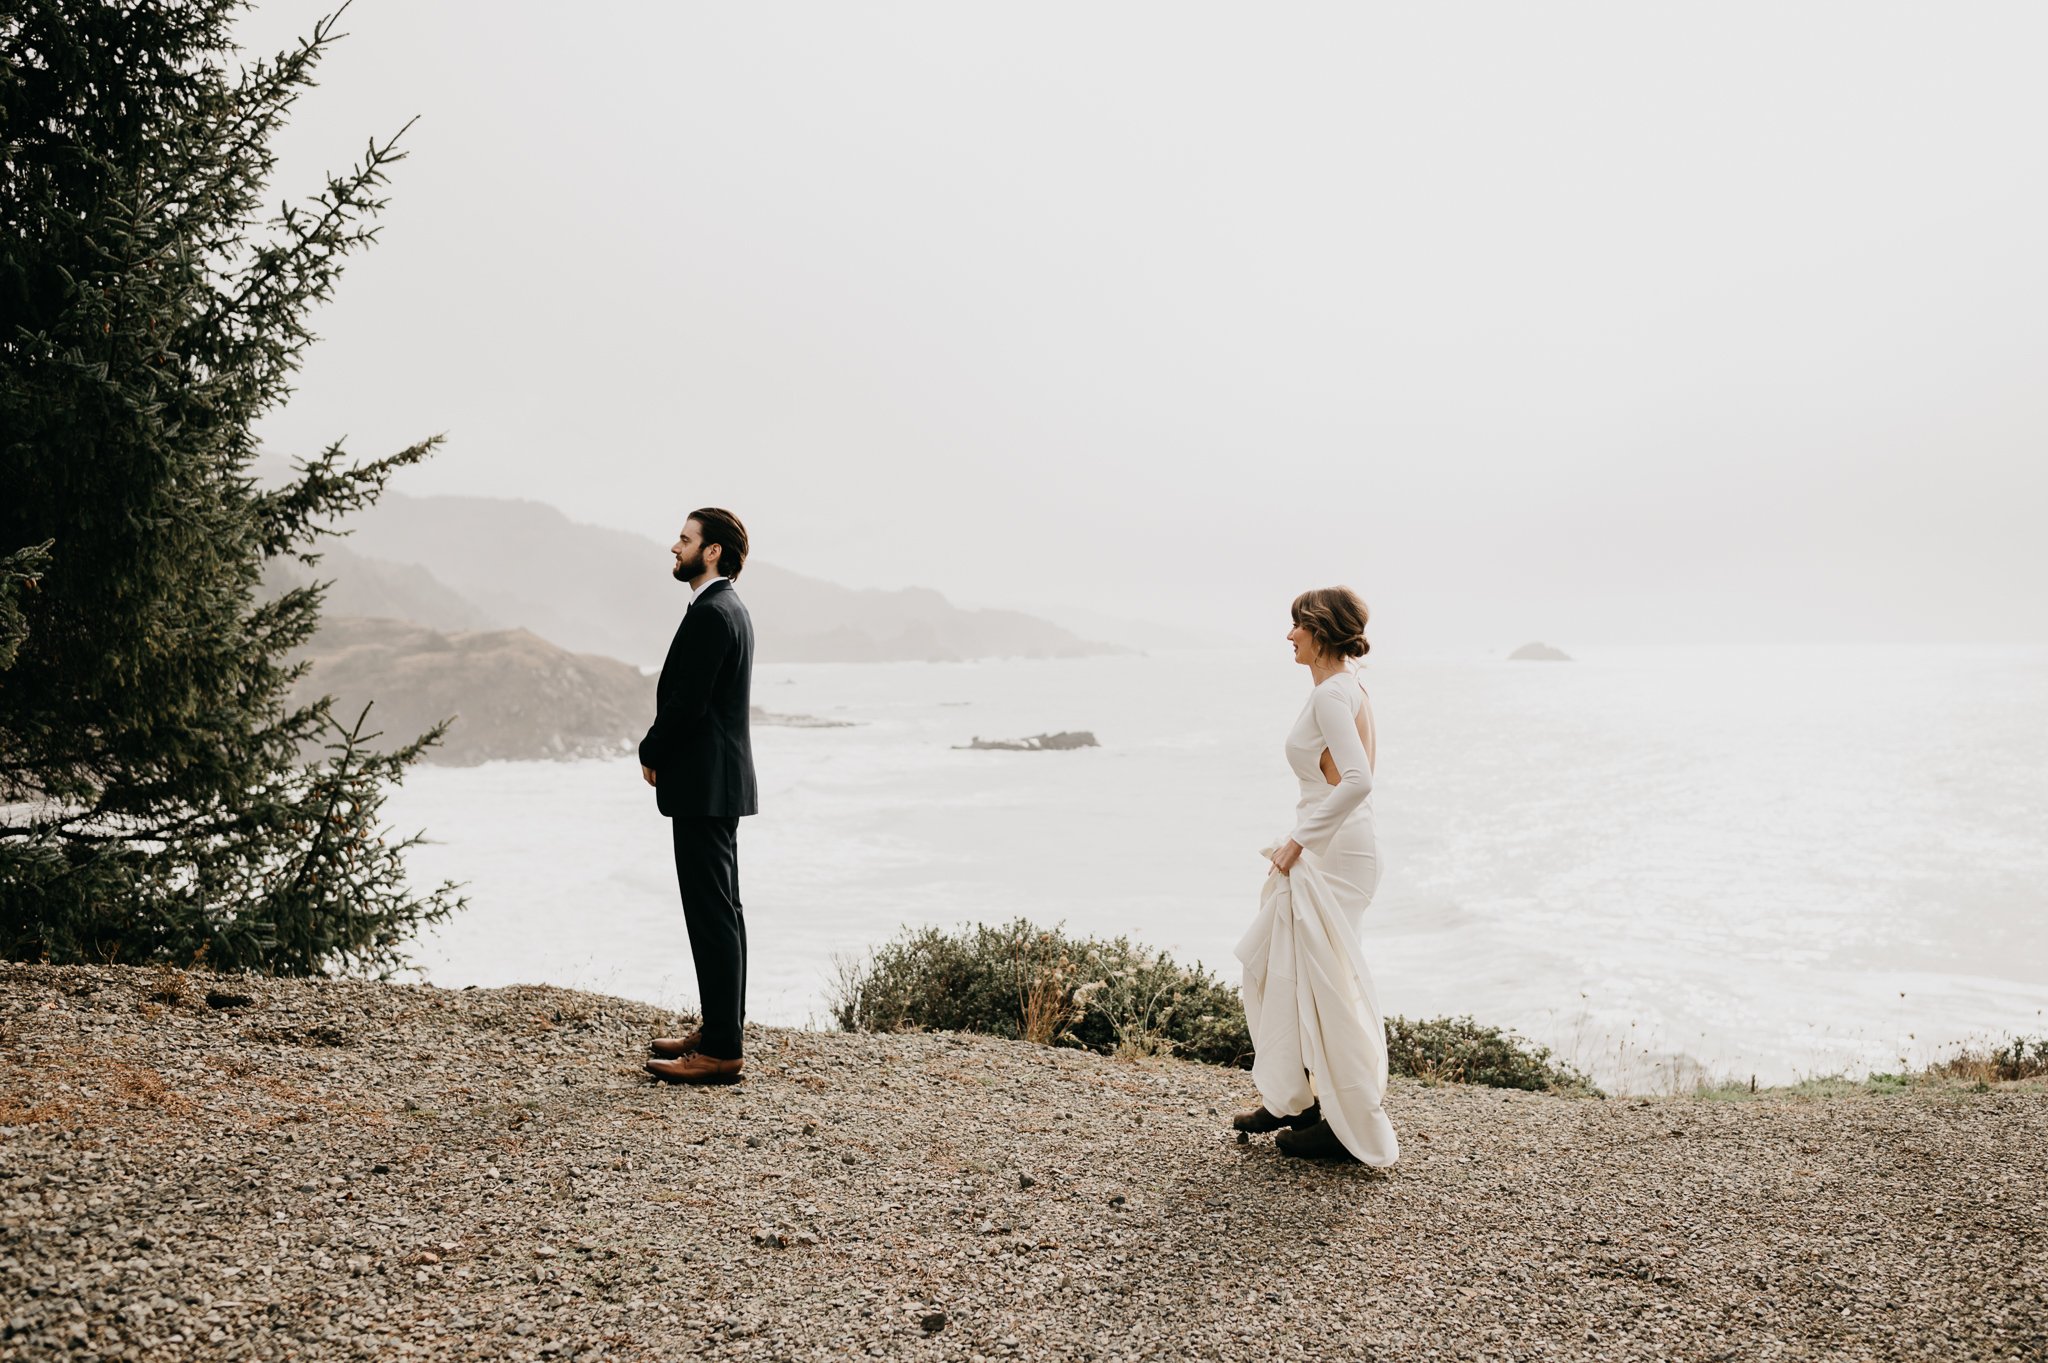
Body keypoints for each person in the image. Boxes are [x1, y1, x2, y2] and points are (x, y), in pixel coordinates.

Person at [1231, 586, 1399, 1165]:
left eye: (1297, 624)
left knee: (1328, 984)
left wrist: (1299, 841)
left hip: (1334, 855)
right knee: (1287, 970)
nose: (1289, 635)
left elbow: (1357, 780)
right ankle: (1293, 1098)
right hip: (1332, 847)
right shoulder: (1343, 689)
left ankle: (1345, 1123)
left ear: (1320, 629)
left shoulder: (1332, 694)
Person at [641, 508, 757, 1085]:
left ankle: (722, 1050)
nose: (675, 547)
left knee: (712, 913)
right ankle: (718, 1030)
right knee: (723, 910)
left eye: (685, 540)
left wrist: (651, 748)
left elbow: (689, 704)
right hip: (717, 784)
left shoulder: (714, 613)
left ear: (711, 551)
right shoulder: (727, 608)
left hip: (705, 785)